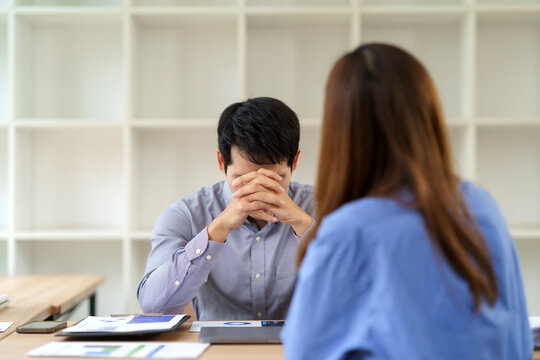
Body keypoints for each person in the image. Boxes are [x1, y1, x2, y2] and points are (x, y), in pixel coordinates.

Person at [282, 44, 532, 359]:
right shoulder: (481, 206)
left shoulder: (348, 234)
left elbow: (305, 354)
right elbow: (518, 343)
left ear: (340, 134)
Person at [137, 97, 314, 320]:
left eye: (275, 179)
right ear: (222, 162)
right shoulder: (186, 215)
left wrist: (306, 228)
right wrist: (215, 231)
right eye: (243, 180)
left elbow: (359, 300)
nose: (258, 192)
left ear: (295, 161)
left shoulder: (324, 207)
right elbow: (154, 307)